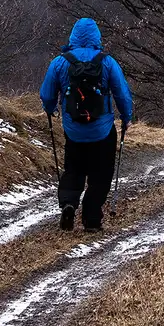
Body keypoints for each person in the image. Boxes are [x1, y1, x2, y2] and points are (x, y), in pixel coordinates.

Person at [39, 18, 133, 233]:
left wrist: (50, 108)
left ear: (73, 36)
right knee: (101, 173)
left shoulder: (60, 62)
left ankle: (69, 204)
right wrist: (126, 117)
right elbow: (122, 93)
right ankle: (92, 219)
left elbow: (47, 94)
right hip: (102, 130)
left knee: (74, 168)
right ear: (96, 37)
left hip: (74, 131)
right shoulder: (107, 61)